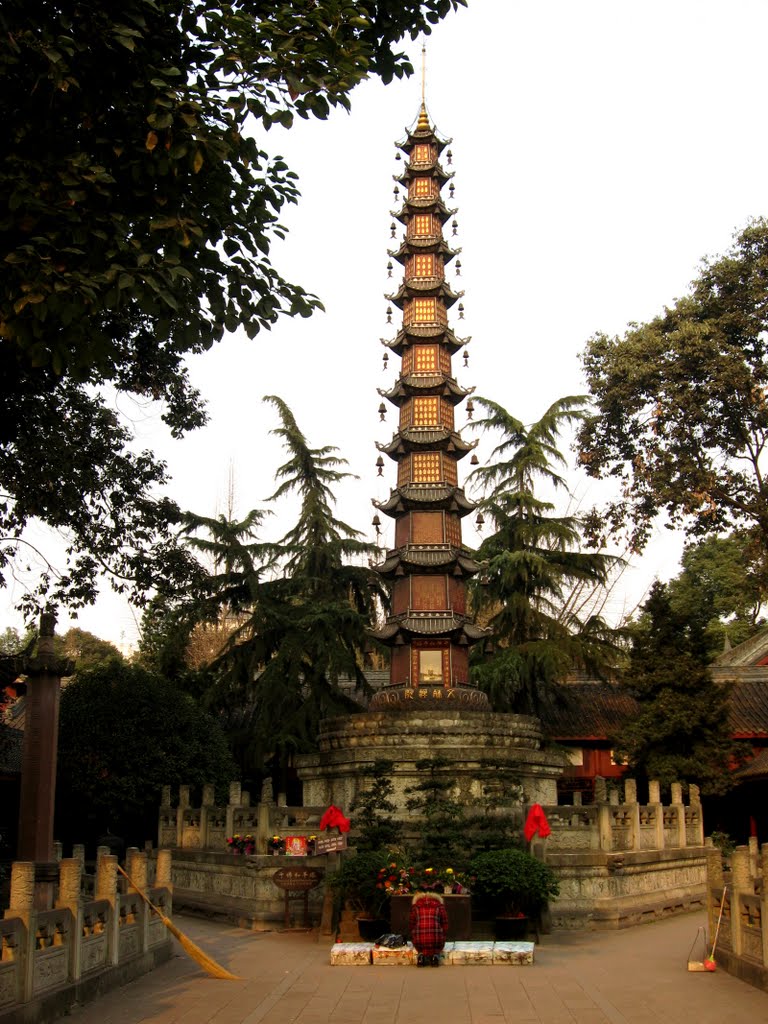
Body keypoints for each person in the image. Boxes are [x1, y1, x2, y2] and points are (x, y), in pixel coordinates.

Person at [409, 890, 448, 967]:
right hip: (436, 940)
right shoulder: (440, 906)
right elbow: (445, 924)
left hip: (419, 940)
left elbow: (411, 924)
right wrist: (442, 934)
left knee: (418, 938)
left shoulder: (416, 907)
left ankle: (421, 957)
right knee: (437, 940)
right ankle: (435, 957)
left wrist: (414, 934)